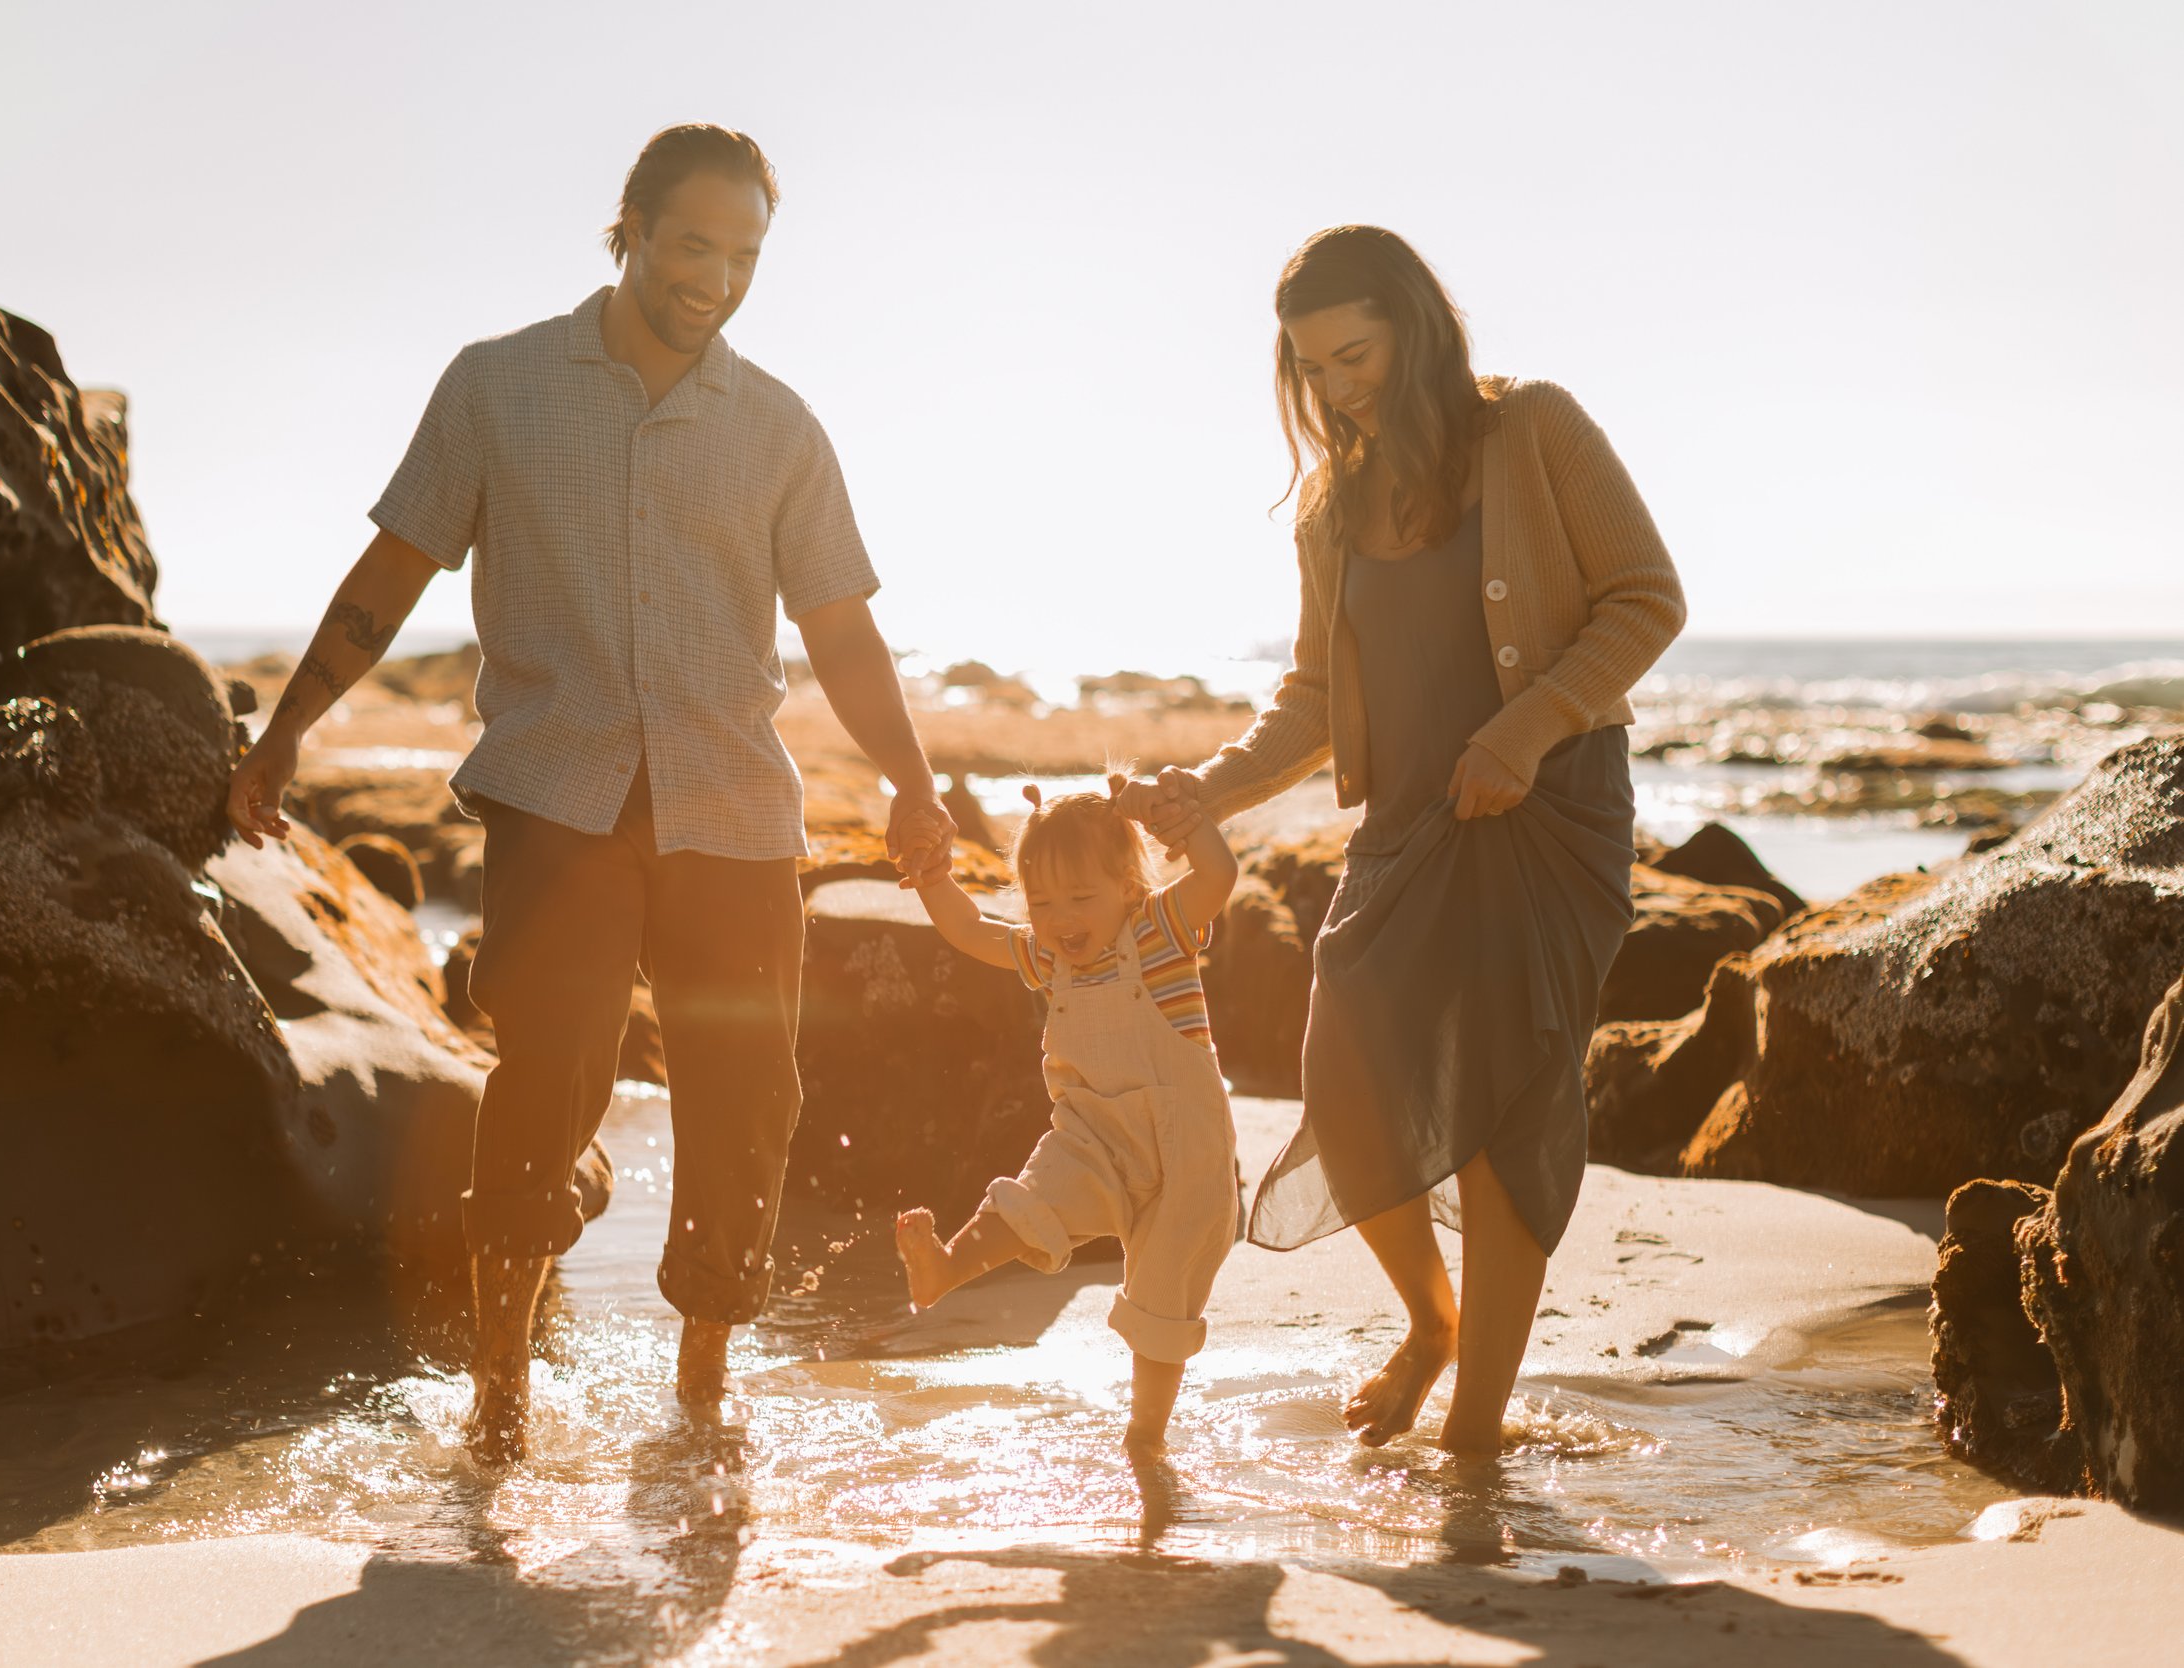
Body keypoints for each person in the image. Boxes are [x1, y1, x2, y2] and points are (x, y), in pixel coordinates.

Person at [226, 123, 955, 1466]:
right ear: (628, 225)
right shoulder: (499, 388)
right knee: (547, 1084)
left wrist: (911, 782)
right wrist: (282, 739)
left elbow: (842, 633)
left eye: (745, 255)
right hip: (558, 799)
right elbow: (389, 576)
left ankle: (701, 1377)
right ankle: (501, 1386)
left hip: (731, 812)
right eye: (693, 243)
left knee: (748, 1095)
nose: (717, 278)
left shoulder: (781, 427)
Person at [1129, 226, 1686, 1457]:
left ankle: (1473, 1431)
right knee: (1347, 1077)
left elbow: (1647, 594)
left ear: (1415, 325)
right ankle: (1429, 1328)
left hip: (1549, 817)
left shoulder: (1532, 428)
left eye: (1355, 353)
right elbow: (1319, 699)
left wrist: (1526, 729)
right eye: (1311, 367)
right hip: (1405, 831)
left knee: (1502, 1116)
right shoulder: (1330, 508)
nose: (1335, 387)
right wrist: (1208, 791)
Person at [895, 776, 1240, 1455]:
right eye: (1043, 902)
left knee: (1164, 1289)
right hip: (1092, 1135)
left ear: (1128, 887)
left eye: (1082, 898)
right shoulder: (1045, 956)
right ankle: (945, 1269)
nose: (1061, 918)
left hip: (1186, 1151)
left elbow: (1219, 873)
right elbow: (969, 930)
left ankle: (1146, 1431)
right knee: (1035, 1201)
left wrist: (1181, 819)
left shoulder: (1162, 929)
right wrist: (935, 878)